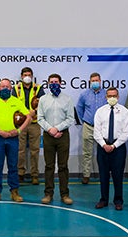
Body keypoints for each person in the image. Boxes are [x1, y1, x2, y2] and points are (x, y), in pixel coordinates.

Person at [0, 78, 31, 203]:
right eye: (2, 86)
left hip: (13, 138)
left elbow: (28, 117)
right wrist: (0, 132)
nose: (5, 88)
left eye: (7, 87)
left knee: (13, 166)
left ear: (11, 89)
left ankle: (14, 192)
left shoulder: (16, 101)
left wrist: (19, 131)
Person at [37, 73, 75, 205]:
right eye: (51, 82)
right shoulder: (43, 99)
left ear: (60, 83)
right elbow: (40, 118)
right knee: (49, 166)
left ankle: (65, 195)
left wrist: (57, 128)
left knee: (63, 166)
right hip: (48, 135)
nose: (54, 83)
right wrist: (50, 129)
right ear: (48, 84)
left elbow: (71, 118)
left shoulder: (68, 99)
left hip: (63, 136)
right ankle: (48, 194)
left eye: (56, 81)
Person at [94, 87, 128, 211]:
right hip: (102, 146)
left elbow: (126, 132)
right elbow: (96, 131)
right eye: (109, 96)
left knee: (118, 175)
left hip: (118, 147)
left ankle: (118, 200)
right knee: (103, 175)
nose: (112, 98)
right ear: (106, 97)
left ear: (118, 97)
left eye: (114, 96)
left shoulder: (125, 111)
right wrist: (104, 144)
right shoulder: (100, 111)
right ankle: (103, 199)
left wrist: (114, 145)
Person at [11, 67, 45, 185]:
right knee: (20, 150)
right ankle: (20, 173)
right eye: (25, 75)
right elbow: (13, 104)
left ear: (32, 76)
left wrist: (34, 112)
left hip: (34, 124)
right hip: (21, 124)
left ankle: (34, 175)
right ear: (21, 76)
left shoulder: (38, 88)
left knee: (35, 150)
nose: (27, 77)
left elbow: (43, 103)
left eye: (29, 75)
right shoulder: (16, 88)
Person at [76, 72, 106, 184]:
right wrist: (84, 119)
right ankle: (86, 175)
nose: (95, 82)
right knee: (87, 152)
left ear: (100, 81)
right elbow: (79, 109)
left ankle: (103, 174)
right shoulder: (84, 95)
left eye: (96, 80)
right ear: (90, 82)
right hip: (88, 126)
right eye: (93, 81)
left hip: (102, 128)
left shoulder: (106, 94)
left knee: (102, 152)